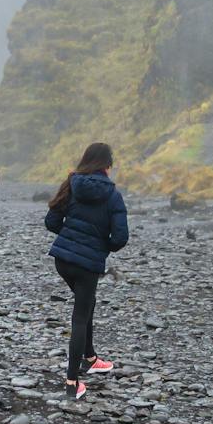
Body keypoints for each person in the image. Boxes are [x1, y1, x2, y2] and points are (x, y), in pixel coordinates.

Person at [44, 142, 128, 401]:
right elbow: (121, 237)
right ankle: (72, 382)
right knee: (80, 316)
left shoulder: (72, 183)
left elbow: (51, 221)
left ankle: (90, 358)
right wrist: (101, 246)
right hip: (87, 264)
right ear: (107, 166)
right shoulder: (113, 195)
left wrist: (72, 238)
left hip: (63, 261)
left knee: (87, 302)